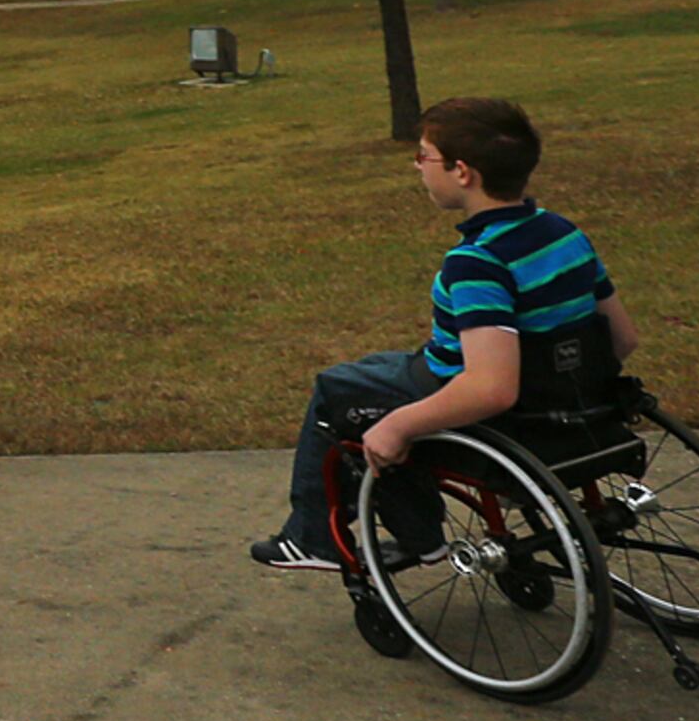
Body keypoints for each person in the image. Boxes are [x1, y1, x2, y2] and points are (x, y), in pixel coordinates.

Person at [251, 94, 637, 572]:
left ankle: (321, 536)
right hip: (570, 403)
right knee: (378, 376)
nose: (418, 167)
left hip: (491, 409)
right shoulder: (563, 234)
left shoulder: (478, 263)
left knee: (342, 392)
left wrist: (400, 425)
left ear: (462, 172)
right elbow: (622, 340)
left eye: (423, 156)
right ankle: (410, 526)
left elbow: (491, 387)